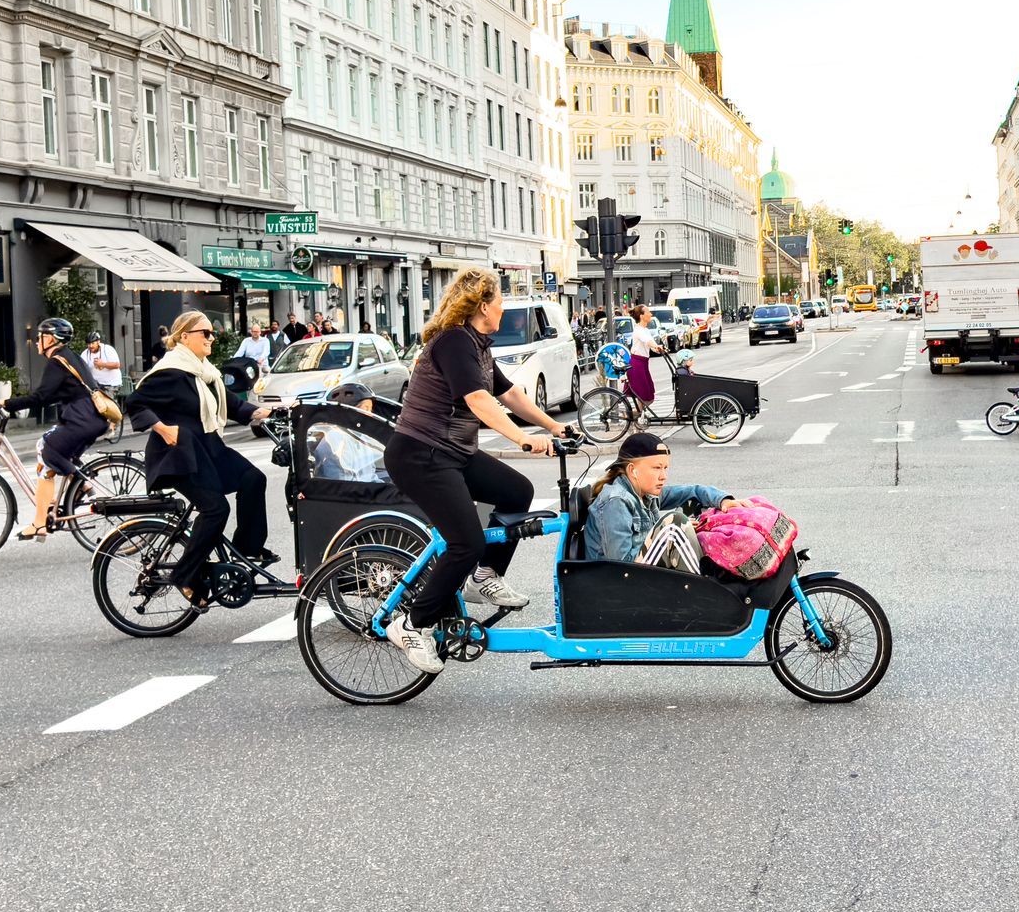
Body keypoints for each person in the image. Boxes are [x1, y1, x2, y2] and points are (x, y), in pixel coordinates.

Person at [380, 266, 567, 674]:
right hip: (420, 454)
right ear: (484, 305)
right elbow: (480, 400)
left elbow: (510, 393)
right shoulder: (451, 343)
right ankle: (412, 625)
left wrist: (554, 426)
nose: (503, 306)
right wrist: (521, 439)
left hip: (453, 452)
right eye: (499, 299)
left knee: (516, 492)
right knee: (464, 541)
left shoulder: (477, 344)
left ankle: (484, 576)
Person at [126, 311, 279, 606]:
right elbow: (136, 402)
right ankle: (185, 575)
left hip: (208, 448)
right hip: (179, 454)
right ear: (184, 337)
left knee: (253, 478)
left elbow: (232, 405)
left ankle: (247, 547)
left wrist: (269, 410)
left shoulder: (205, 372)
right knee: (215, 509)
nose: (211, 338)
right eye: (205, 333)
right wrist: (162, 428)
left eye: (212, 333)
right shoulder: (170, 371)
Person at [0, 317, 112, 539]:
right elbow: (56, 393)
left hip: (82, 419)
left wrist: (4, 403)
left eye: (40, 337)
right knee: (53, 447)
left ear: (51, 339)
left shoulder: (57, 361)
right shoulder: (69, 357)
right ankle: (80, 485)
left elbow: (41, 397)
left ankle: (39, 524)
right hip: (91, 419)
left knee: (47, 450)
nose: (36, 341)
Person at [583, 432, 742, 562]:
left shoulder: (645, 493)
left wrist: (723, 500)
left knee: (693, 509)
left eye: (665, 468)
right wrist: (666, 533)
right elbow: (621, 564)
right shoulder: (616, 502)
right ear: (633, 470)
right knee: (676, 522)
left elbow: (692, 492)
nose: (663, 476)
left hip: (642, 574)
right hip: (618, 585)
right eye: (657, 468)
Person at [308, 380, 386, 483]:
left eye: (370, 409)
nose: (370, 414)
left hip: (365, 492)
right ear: (349, 412)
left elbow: (370, 476)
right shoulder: (336, 438)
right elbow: (343, 482)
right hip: (344, 494)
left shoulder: (362, 437)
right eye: (365, 409)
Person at [625, 305, 661, 419]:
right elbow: (648, 341)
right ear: (642, 316)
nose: (651, 314)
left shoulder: (645, 330)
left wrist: (659, 348)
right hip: (637, 365)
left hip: (643, 364)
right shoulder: (638, 330)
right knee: (645, 396)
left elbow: (651, 344)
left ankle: (636, 418)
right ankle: (632, 417)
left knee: (648, 396)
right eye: (648, 312)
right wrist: (656, 346)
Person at [82, 332, 122, 396]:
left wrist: (102, 364)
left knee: (106, 403)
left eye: (93, 343)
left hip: (111, 384)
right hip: (96, 385)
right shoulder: (85, 353)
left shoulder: (108, 349)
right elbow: (82, 368)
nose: (91, 346)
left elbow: (117, 365)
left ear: (98, 342)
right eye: (89, 344)